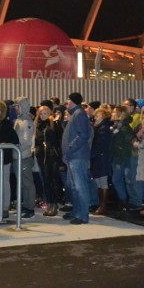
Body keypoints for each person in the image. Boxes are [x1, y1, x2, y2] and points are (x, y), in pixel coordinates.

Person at [62, 92, 93, 225]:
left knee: (80, 187)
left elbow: (83, 135)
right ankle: (77, 212)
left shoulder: (79, 114)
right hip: (73, 157)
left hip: (78, 157)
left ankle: (82, 215)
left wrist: (70, 148)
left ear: (73, 101)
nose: (65, 104)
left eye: (67, 101)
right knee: (74, 187)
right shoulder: (75, 114)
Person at [0, 100, 19, 219]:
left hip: (3, 158)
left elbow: (14, 139)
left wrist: (3, 144)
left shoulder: (5, 124)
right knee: (0, 183)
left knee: (3, 183)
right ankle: (3, 206)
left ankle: (5, 207)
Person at [35, 105, 63, 216]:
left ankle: (54, 203)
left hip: (53, 156)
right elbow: (37, 141)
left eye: (45, 113)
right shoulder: (37, 125)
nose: (43, 116)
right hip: (42, 156)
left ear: (50, 114)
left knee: (53, 179)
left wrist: (58, 153)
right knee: (46, 181)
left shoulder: (54, 124)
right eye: (41, 114)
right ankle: (50, 203)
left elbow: (59, 139)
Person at [13, 96, 37, 219]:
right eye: (15, 106)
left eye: (18, 106)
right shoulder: (18, 120)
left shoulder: (27, 122)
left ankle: (30, 207)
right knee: (21, 183)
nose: (16, 108)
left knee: (27, 183)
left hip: (24, 156)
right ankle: (24, 205)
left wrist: (16, 147)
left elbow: (27, 141)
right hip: (17, 156)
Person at [90, 106, 113, 215]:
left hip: (101, 157)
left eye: (97, 115)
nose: (95, 117)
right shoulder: (97, 127)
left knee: (103, 182)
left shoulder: (103, 128)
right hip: (97, 157)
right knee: (98, 181)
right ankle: (100, 204)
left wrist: (94, 153)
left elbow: (102, 144)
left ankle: (103, 206)